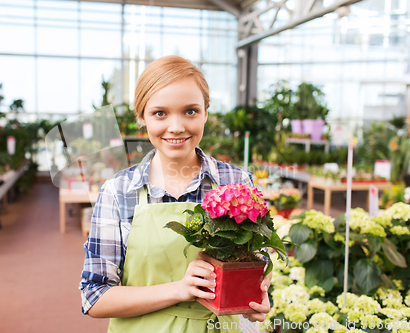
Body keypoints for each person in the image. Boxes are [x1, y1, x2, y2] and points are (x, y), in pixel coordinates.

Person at [79, 55, 271, 332]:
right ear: (142, 118)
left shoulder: (237, 182)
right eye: (160, 113)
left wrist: (259, 293)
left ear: (206, 113)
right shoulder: (118, 191)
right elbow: (94, 296)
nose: (177, 126)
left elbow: (259, 260)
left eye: (190, 111)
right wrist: (180, 289)